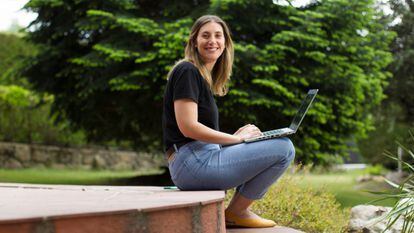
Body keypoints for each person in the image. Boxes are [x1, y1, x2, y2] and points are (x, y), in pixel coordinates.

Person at [162, 15, 295, 228]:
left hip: (196, 159)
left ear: (225, 43)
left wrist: (233, 138)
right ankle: (237, 212)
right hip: (190, 164)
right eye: (205, 35)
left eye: (218, 36)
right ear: (194, 41)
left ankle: (237, 212)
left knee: (277, 146)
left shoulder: (201, 76)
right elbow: (188, 128)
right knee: (284, 148)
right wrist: (237, 140)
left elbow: (198, 134)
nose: (212, 41)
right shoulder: (186, 70)